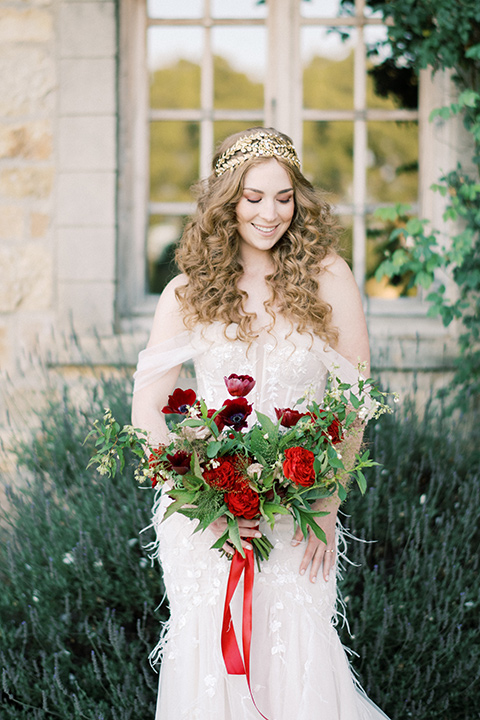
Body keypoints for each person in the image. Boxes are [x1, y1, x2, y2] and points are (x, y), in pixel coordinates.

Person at [132, 127, 390, 720]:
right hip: (210, 521)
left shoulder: (328, 278)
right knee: (210, 668)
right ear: (226, 201)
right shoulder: (187, 292)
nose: (269, 213)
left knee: (298, 658)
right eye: (252, 198)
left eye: (283, 197)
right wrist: (202, 496)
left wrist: (328, 504)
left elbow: (354, 401)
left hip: (300, 513)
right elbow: (148, 408)